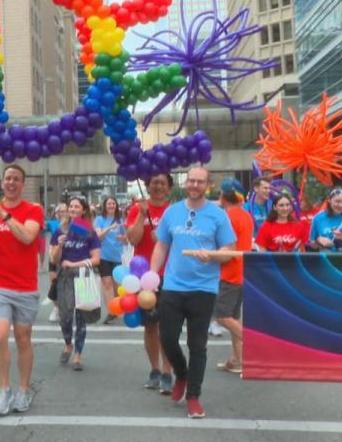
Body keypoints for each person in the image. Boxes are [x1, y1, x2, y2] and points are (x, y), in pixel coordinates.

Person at [150, 167, 237, 419]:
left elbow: (229, 250)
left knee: (197, 345)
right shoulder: (172, 211)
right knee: (167, 338)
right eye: (191, 180)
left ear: (208, 185)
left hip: (204, 288)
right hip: (173, 286)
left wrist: (213, 255)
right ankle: (182, 374)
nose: (195, 185)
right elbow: (161, 245)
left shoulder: (218, 215)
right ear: (185, 182)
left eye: (200, 181)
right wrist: (154, 275)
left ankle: (194, 396)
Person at [0, 164, 44, 416]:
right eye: (7, 178)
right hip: (0, 286)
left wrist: (4, 217)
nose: (11, 182)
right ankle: (4, 389)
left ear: (22, 183)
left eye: (16, 179)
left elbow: (28, 237)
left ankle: (23, 390)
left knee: (23, 339)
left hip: (26, 287)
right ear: (2, 182)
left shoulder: (33, 210)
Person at [126, 174, 174, 393]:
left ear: (169, 188)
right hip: (143, 276)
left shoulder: (174, 211)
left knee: (168, 328)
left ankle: (167, 372)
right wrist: (141, 217)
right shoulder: (137, 209)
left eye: (163, 183)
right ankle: (154, 369)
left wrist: (164, 239)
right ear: (147, 186)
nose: (158, 186)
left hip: (170, 275)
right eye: (154, 182)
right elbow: (133, 239)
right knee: (150, 326)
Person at [50, 197, 101, 371]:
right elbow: (54, 259)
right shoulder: (60, 230)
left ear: (83, 210)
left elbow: (96, 259)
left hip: (84, 275)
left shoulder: (89, 232)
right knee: (65, 316)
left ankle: (78, 355)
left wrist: (74, 264)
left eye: (76, 206)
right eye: (70, 206)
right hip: (65, 277)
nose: (72, 209)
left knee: (81, 317)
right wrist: (59, 246)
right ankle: (68, 344)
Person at [215, 178, 254, 375]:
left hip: (230, 272)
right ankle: (236, 359)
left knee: (222, 315)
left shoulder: (227, 217)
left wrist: (209, 256)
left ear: (223, 195)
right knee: (232, 317)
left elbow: (228, 249)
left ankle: (254, 346)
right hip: (242, 271)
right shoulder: (246, 215)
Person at [94, 197, 125, 324]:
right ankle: (110, 311)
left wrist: (123, 238)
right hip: (103, 256)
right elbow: (98, 237)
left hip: (117, 256)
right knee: (106, 284)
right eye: (109, 204)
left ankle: (117, 308)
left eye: (113, 203)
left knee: (117, 286)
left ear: (116, 206)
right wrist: (109, 228)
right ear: (105, 206)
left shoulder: (120, 220)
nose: (111, 205)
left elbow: (126, 239)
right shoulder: (100, 220)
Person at [45, 203, 67, 323]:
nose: (62, 213)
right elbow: (41, 229)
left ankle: (72, 308)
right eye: (60, 211)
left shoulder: (72, 224)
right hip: (53, 254)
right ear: (56, 213)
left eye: (64, 211)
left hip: (68, 257)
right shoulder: (52, 223)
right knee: (54, 283)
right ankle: (57, 308)